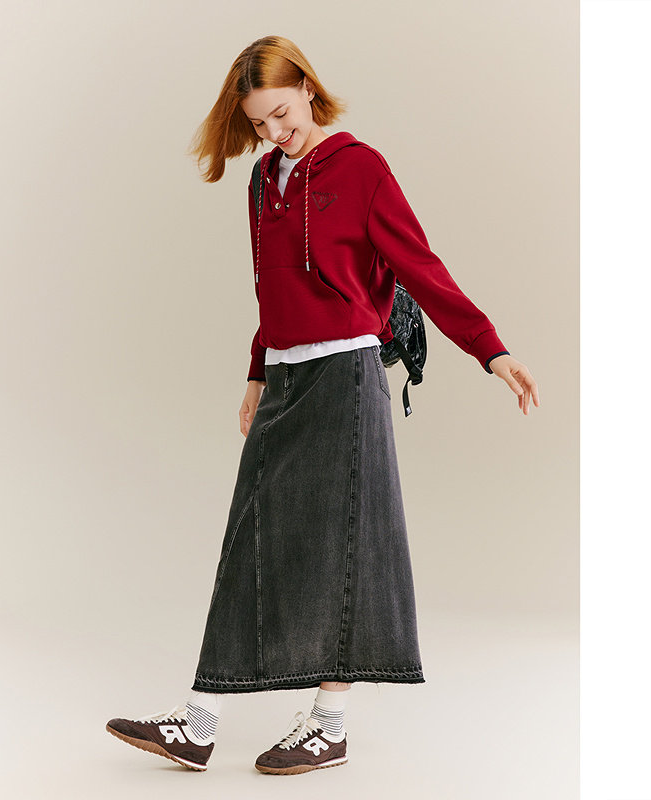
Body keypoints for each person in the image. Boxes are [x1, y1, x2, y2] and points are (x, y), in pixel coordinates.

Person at [106, 34, 540, 776]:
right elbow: (272, 288)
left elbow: (420, 266)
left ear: (308, 87)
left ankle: (328, 723)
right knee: (249, 539)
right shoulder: (262, 180)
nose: (274, 132)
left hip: (346, 375)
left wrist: (490, 349)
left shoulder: (361, 168)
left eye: (281, 113)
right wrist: (256, 373)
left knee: (346, 549)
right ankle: (199, 723)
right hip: (285, 375)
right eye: (259, 123)